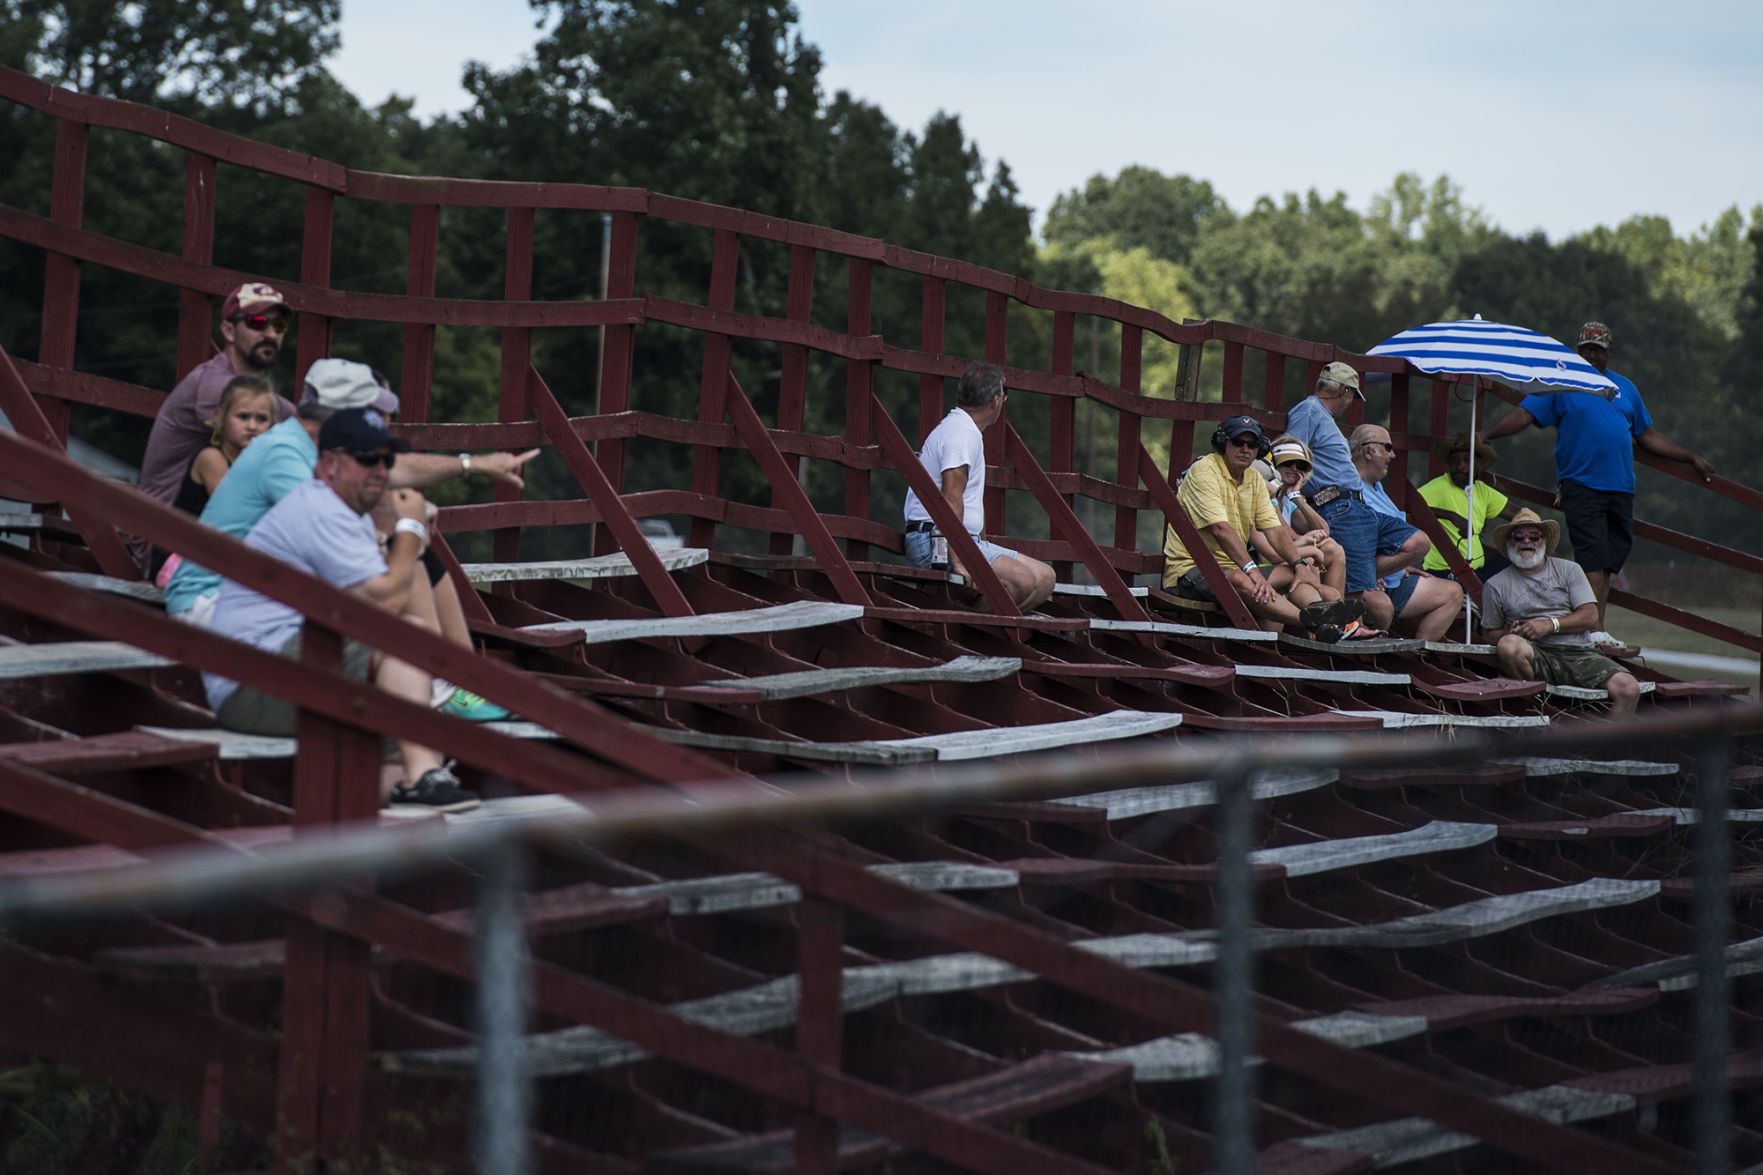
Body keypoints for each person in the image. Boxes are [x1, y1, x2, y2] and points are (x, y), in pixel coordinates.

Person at [165, 359, 538, 724]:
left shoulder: (308, 446)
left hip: (262, 591)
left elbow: (393, 470)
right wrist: (402, 524)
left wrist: (475, 465)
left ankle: (460, 678)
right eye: (368, 412)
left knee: (408, 554)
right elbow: (331, 526)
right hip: (214, 602)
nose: (375, 423)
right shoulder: (284, 454)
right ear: (341, 413)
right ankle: (442, 682)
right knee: (397, 556)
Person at [203, 408, 481, 811]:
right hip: (251, 683)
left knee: (417, 734)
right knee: (408, 636)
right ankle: (418, 778)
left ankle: (389, 799)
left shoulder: (346, 513)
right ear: (329, 463)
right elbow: (385, 603)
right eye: (368, 458)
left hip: (282, 668)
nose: (380, 470)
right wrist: (410, 528)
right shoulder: (321, 509)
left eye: (386, 460)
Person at [1478, 321, 1715, 649]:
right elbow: (1524, 414)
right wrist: (1486, 434)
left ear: (1609, 352)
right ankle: (1595, 628)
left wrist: (1688, 456)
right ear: (1578, 351)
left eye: (1597, 349)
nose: (1591, 355)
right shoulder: (1563, 384)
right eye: (1586, 349)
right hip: (1581, 483)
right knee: (1592, 556)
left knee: (1611, 556)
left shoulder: (1624, 388)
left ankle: (1592, 627)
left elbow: (1646, 435)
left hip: (1620, 486)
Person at [132, 283, 304, 568]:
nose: (271, 333)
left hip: (207, 536)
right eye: (257, 322)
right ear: (228, 331)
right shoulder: (214, 386)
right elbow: (301, 427)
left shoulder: (256, 397)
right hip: (165, 543)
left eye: (280, 325)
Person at [1163, 414, 1366, 640]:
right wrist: (1252, 570)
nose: (1245, 449)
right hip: (1189, 571)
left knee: (1295, 570)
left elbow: (1275, 531)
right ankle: (1312, 621)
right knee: (1241, 579)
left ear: (1259, 449)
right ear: (1223, 443)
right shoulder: (1204, 471)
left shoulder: (1254, 479)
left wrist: (1299, 564)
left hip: (1235, 569)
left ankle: (1325, 617)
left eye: (1252, 445)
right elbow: (1221, 529)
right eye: (1238, 442)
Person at [902, 361, 1055, 610]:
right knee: (1023, 581)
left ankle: (984, 635)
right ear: (995, 401)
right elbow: (951, 497)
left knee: (1046, 578)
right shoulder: (961, 434)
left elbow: (969, 502)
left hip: (957, 539)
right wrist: (961, 558)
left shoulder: (965, 430)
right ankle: (967, 636)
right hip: (933, 541)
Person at [1283, 362, 1411, 630]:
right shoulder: (1309, 410)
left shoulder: (1320, 415)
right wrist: (1291, 494)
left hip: (1352, 504)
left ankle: (1351, 627)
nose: (1351, 402)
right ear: (1343, 390)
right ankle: (1351, 629)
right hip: (1336, 502)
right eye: (1352, 395)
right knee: (1355, 585)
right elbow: (1291, 452)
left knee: (1415, 541)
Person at [1479, 508, 1642, 716]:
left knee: (1629, 688)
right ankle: (1534, 709)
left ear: (1544, 540)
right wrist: (1508, 633)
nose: (1526, 541)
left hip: (1579, 654)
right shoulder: (1495, 584)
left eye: (1534, 535)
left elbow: (1590, 615)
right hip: (1533, 655)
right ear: (1510, 543)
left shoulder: (1569, 570)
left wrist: (1549, 624)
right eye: (1518, 536)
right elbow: (1489, 632)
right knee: (1508, 645)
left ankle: (1606, 746)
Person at [149, 374, 282, 584]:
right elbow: (235, 513)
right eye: (243, 416)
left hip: (217, 554)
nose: (252, 426)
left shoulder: (259, 464)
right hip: (179, 556)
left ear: (273, 424)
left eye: (262, 419)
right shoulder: (212, 458)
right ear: (220, 416)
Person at [1350, 424, 1465, 641]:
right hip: (1366, 582)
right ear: (1367, 452)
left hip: (1395, 580)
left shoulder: (1376, 485)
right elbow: (1349, 540)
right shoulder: (1350, 489)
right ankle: (1376, 653)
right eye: (1387, 448)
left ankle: (1414, 654)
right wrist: (1368, 575)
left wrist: (1402, 564)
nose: (1392, 455)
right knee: (1382, 607)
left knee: (1452, 593)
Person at [1417, 432, 1517, 578]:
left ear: (1478, 464)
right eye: (1454, 460)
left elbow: (1521, 515)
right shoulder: (1437, 487)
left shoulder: (1482, 490)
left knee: (1519, 549)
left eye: (1467, 460)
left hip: (1477, 571)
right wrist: (1450, 516)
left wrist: (1524, 536)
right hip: (1445, 573)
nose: (1460, 466)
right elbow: (1406, 507)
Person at [1263, 436, 1347, 600]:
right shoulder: (1266, 494)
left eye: (1300, 465)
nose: (1294, 468)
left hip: (1283, 555)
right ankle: (1329, 614)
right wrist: (1309, 539)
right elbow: (1288, 537)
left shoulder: (1287, 498)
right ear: (1274, 465)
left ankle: (1336, 615)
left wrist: (1297, 497)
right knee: (1315, 554)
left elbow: (1324, 530)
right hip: (1269, 559)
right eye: (1287, 463)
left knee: (1333, 549)